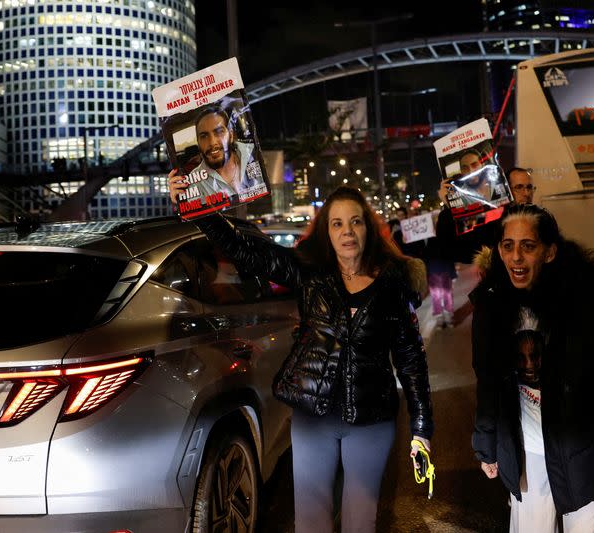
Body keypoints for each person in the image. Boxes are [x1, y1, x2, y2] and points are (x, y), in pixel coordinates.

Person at [168, 177, 434, 533]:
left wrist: (421, 429)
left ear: (368, 227)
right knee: (311, 521)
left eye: (355, 221)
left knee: (361, 521)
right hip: (313, 416)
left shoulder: (393, 284)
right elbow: (243, 249)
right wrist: (196, 205)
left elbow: (411, 359)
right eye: (337, 223)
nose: (347, 232)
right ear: (326, 231)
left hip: (372, 419)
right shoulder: (310, 272)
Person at [471, 203, 594, 533]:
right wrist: (486, 443)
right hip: (526, 455)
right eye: (508, 246)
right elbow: (488, 383)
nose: (516, 257)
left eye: (528, 246)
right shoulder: (492, 308)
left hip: (583, 453)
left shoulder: (591, 304)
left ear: (549, 253)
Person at [435, 166, 536, 265]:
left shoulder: (540, 218)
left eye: (529, 187)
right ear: (506, 189)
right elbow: (453, 251)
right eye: (519, 187)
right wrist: (453, 209)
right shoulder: (493, 219)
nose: (526, 193)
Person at [183, 105, 261, 203]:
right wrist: (179, 200)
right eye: (204, 136)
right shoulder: (194, 182)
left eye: (219, 132)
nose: (212, 142)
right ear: (198, 143)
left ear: (231, 136)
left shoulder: (253, 154)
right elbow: (195, 216)